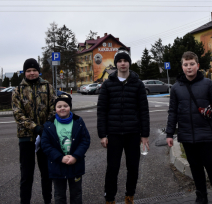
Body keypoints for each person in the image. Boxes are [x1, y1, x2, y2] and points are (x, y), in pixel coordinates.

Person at [166, 51, 212, 204]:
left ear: (198, 65)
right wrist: (169, 134)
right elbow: (172, 112)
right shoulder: (176, 88)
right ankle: (201, 197)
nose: (189, 67)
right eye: (185, 65)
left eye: (192, 64)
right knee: (195, 168)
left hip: (206, 135)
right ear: (182, 66)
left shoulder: (207, 84)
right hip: (187, 136)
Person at [97, 47, 150, 204]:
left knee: (133, 168)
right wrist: (102, 134)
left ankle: (130, 196)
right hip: (113, 134)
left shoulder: (138, 84)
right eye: (119, 61)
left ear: (129, 63)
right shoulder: (107, 85)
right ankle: (110, 199)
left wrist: (145, 135)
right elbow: (102, 111)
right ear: (116, 64)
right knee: (112, 169)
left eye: (125, 61)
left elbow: (144, 111)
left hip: (133, 133)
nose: (122, 64)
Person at [11, 58, 56, 204]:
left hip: (45, 137)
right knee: (26, 175)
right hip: (26, 138)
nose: (31, 73)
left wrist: (46, 126)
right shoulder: (18, 90)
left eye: (34, 70)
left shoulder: (48, 87)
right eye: (28, 71)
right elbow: (18, 114)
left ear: (39, 71)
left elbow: (54, 108)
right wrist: (35, 127)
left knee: (46, 173)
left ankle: (48, 200)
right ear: (24, 72)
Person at [41, 94, 90, 204]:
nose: (62, 108)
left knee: (76, 193)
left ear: (70, 107)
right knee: (59, 195)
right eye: (59, 106)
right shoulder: (49, 124)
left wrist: (76, 156)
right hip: (57, 165)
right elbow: (45, 144)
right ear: (55, 109)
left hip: (75, 164)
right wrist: (60, 157)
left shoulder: (78, 122)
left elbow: (85, 140)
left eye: (65, 105)